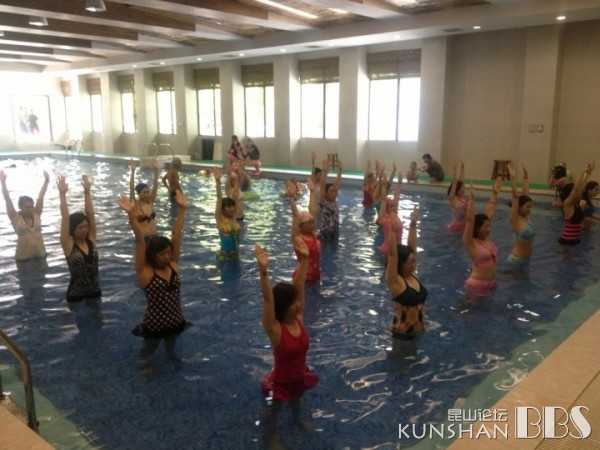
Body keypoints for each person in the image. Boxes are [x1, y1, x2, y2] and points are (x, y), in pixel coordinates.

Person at [256, 238, 318, 449]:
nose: (298, 305)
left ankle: (297, 419)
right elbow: (268, 299)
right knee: (274, 411)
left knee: (297, 400)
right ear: (283, 306)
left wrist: (305, 259)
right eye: (292, 303)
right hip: (281, 382)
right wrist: (263, 271)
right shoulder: (275, 329)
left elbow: (299, 285)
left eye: (297, 301)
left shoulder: (298, 319)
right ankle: (272, 436)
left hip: (299, 376)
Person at [120, 190, 190, 367]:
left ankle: (171, 352)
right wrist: (131, 215)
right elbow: (139, 240)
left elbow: (176, 234)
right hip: (155, 323)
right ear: (153, 255)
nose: (167, 256)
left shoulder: (173, 264)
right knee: (149, 347)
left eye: (168, 252)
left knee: (171, 342)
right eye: (162, 254)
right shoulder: (145, 273)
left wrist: (182, 209)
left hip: (176, 319)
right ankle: (143, 361)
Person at [58, 175, 102, 311]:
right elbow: (65, 218)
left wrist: (87, 192)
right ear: (73, 229)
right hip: (75, 293)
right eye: (80, 227)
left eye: (86, 226)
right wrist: (62, 195)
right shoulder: (68, 244)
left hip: (94, 290)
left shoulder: (91, 239)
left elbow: (91, 215)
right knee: (72, 321)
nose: (84, 230)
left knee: (98, 319)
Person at [384, 208, 426, 340]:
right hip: (400, 336)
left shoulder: (413, 275)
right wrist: (392, 231)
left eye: (414, 262)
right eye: (409, 262)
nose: (413, 265)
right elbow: (392, 255)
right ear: (400, 263)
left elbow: (412, 247)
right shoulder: (395, 281)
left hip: (418, 332)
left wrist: (413, 225)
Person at [462, 178, 502, 297]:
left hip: (490, 284)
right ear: (478, 228)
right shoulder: (470, 242)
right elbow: (470, 221)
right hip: (476, 285)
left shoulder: (486, 240)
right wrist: (472, 200)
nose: (489, 228)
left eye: (489, 226)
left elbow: (490, 211)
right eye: (486, 227)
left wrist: (495, 194)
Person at [0, 169, 49, 260]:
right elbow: (7, 199)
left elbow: (41, 196)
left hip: (40, 256)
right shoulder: (15, 217)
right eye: (27, 207)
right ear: (20, 207)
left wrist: (46, 181)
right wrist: (3, 183)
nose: (30, 209)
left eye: (31, 206)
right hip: (23, 259)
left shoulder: (36, 214)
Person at [289, 179, 320, 282]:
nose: (312, 224)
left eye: (312, 222)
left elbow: (312, 210)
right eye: (309, 222)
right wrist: (291, 198)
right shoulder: (297, 238)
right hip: (302, 278)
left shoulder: (312, 234)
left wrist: (312, 192)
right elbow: (295, 215)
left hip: (316, 275)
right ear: (301, 225)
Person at [506, 163, 535, 268]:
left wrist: (526, 177)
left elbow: (525, 196)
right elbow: (515, 197)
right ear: (519, 207)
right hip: (516, 261)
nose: (530, 210)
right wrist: (512, 179)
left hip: (526, 260)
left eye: (531, 207)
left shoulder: (525, 218)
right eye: (527, 207)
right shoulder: (515, 219)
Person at [558, 163, 594, 245]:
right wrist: (583, 172)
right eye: (579, 191)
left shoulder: (577, 204)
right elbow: (576, 188)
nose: (581, 192)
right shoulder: (567, 204)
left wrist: (588, 173)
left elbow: (582, 185)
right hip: (567, 243)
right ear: (572, 193)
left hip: (576, 241)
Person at [213, 167, 241, 262]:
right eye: (229, 207)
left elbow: (235, 193)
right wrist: (217, 181)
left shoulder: (234, 217)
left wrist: (239, 174)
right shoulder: (219, 219)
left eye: (233, 206)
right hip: (224, 257)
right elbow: (219, 198)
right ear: (222, 209)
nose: (232, 208)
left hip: (235, 255)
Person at [129, 158, 159, 242]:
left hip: (154, 236)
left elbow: (155, 185)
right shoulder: (135, 204)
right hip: (143, 238)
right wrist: (133, 171)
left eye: (148, 192)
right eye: (144, 192)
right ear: (139, 194)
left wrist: (156, 170)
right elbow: (131, 188)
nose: (147, 194)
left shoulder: (150, 202)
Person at [376, 172, 403, 260]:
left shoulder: (395, 215)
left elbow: (397, 196)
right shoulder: (384, 218)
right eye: (391, 206)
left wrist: (399, 183)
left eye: (394, 206)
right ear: (387, 207)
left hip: (399, 248)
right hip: (388, 249)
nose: (393, 208)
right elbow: (384, 199)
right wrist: (383, 185)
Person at [318, 156, 343, 240]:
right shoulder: (323, 202)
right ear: (325, 193)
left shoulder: (334, 201)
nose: (334, 193)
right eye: (331, 191)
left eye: (334, 191)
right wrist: (324, 173)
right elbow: (322, 186)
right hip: (324, 235)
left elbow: (337, 184)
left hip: (335, 234)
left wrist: (340, 171)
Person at [447, 158, 467, 233]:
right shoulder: (453, 198)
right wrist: (454, 169)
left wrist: (462, 168)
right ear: (457, 190)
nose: (463, 188)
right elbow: (455, 182)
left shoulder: (462, 197)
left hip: (465, 226)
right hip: (455, 227)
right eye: (462, 188)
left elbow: (462, 181)